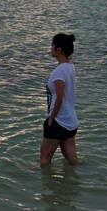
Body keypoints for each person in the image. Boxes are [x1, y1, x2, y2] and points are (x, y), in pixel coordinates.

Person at [40, 33, 78, 165]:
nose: (50, 48)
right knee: (73, 161)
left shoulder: (59, 71)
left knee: (44, 160)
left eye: (52, 45)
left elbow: (59, 98)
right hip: (71, 121)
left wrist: (51, 119)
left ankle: (40, 183)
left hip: (58, 121)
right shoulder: (70, 65)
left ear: (58, 49)